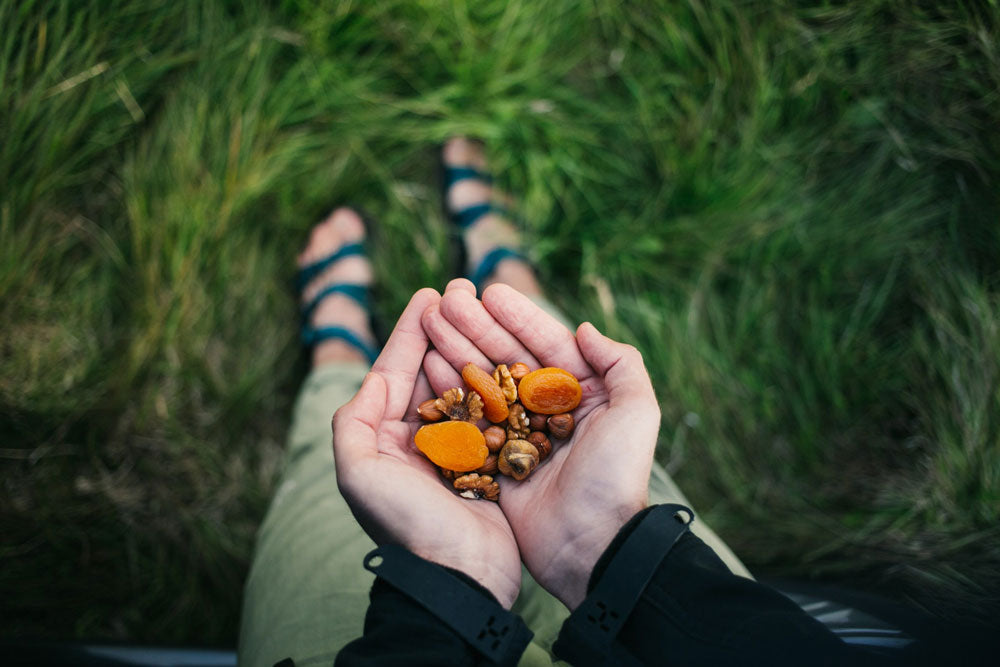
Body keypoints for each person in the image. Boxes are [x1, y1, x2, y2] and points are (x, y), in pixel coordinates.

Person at [238, 140, 968, 666]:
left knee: (338, 450)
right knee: (544, 346)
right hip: (678, 624)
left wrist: (441, 573)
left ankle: (335, 345)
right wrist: (605, 544)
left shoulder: (505, 441)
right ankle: (503, 265)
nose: (516, 432)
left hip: (401, 646)